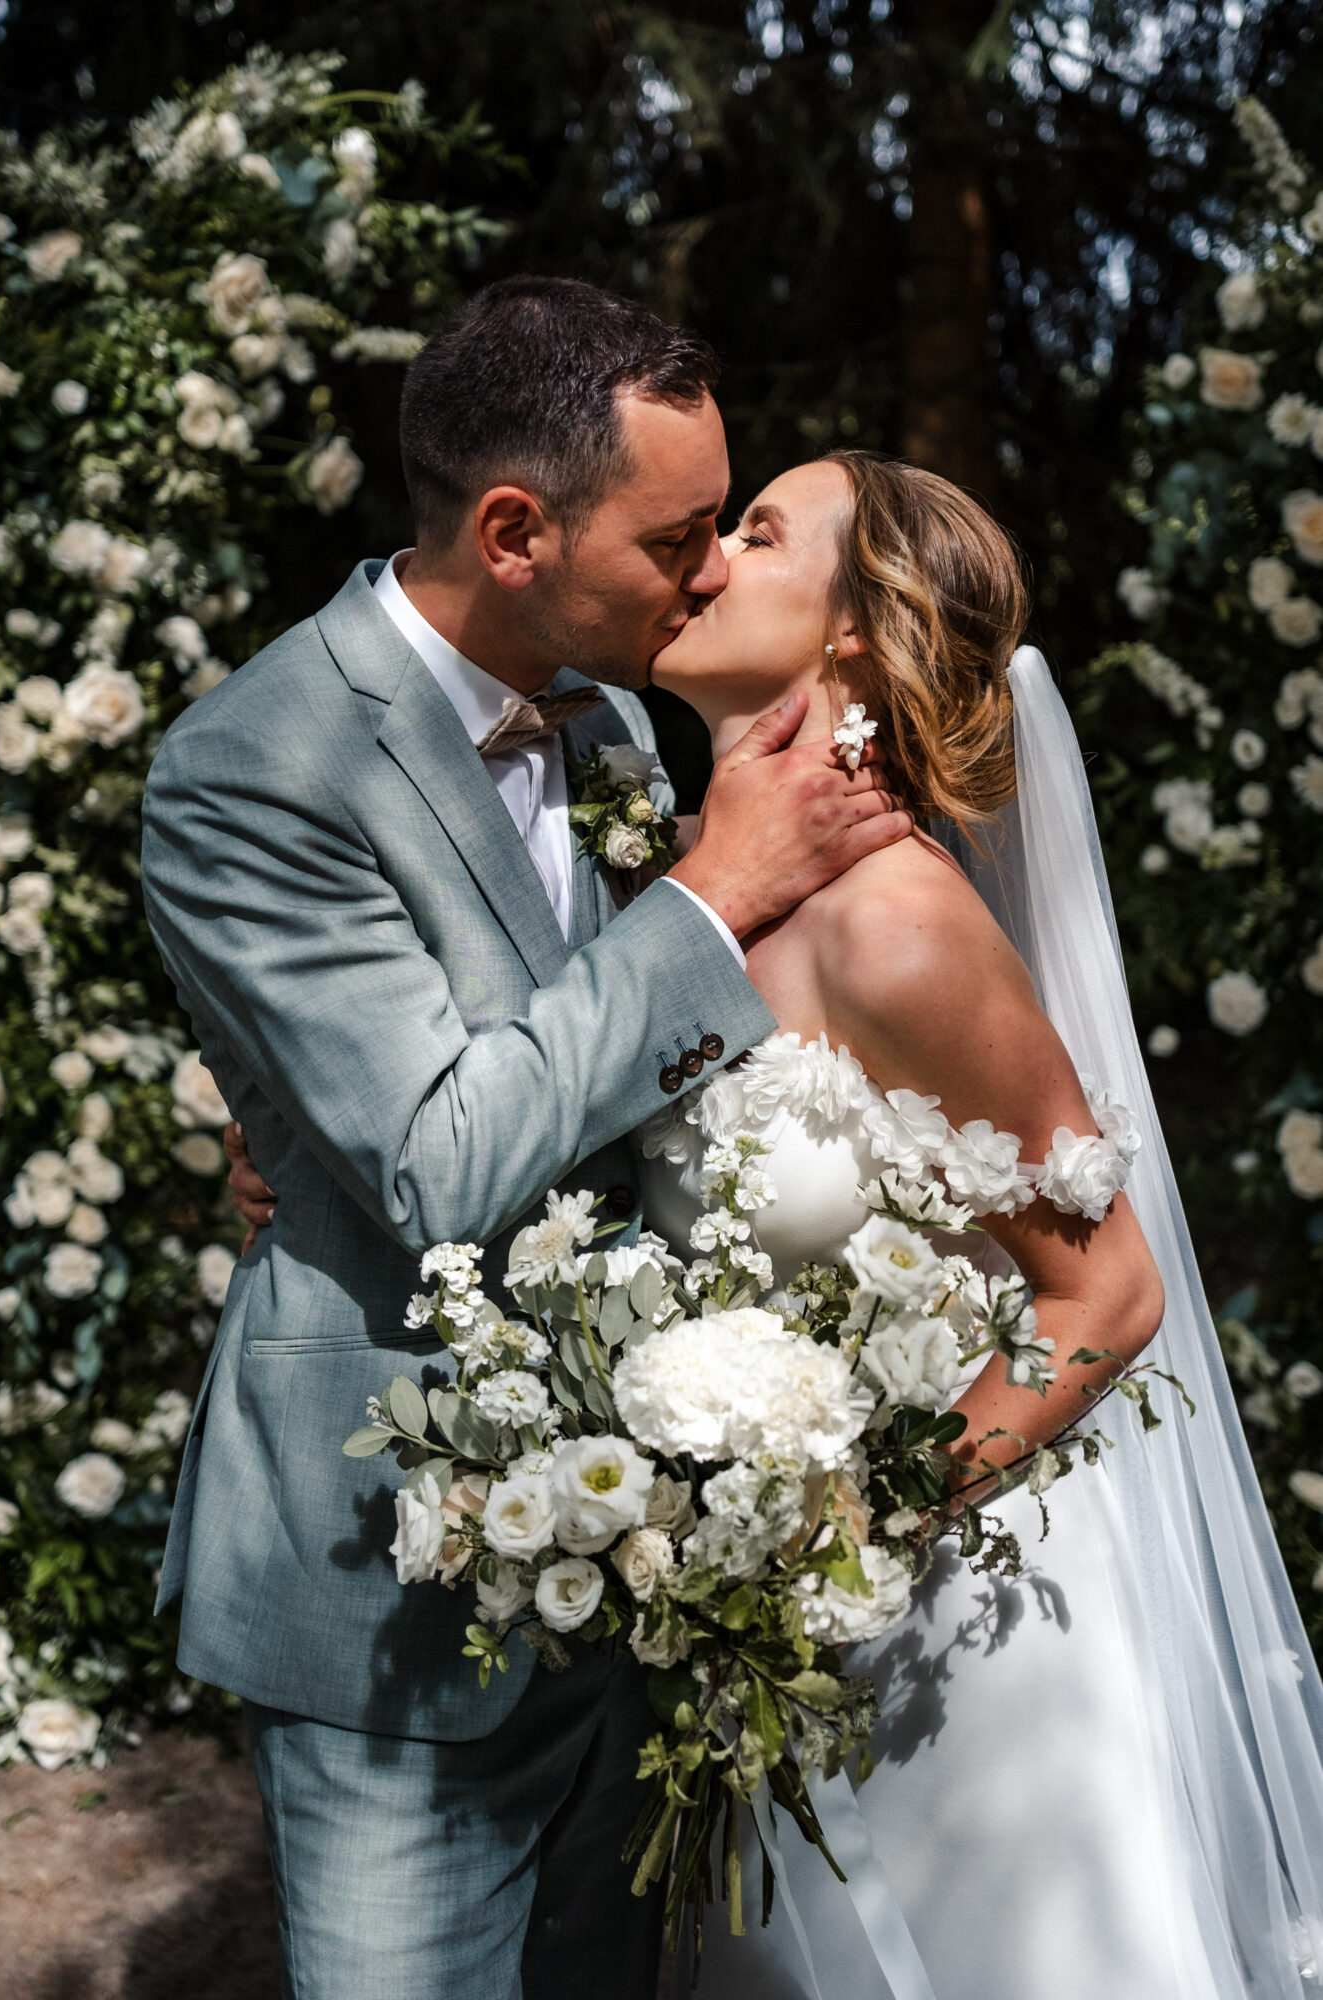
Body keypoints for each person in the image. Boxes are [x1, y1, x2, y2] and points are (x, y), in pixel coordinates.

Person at [236, 448, 1323, 1996]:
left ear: (849, 640)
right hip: (750, 1638)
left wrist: (850, 1540)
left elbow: (1111, 1296)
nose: (702, 560)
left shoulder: (899, 922)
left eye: (753, 535)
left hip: (946, 1627)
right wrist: (309, 1138)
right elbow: (516, 1093)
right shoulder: (681, 875)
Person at [139, 279, 911, 2000]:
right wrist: (712, 890)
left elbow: (628, 1064)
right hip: (390, 1583)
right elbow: (435, 1159)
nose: (711, 573)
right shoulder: (253, 768)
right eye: (678, 536)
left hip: (641, 1551)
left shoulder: (620, 717)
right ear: (510, 530)